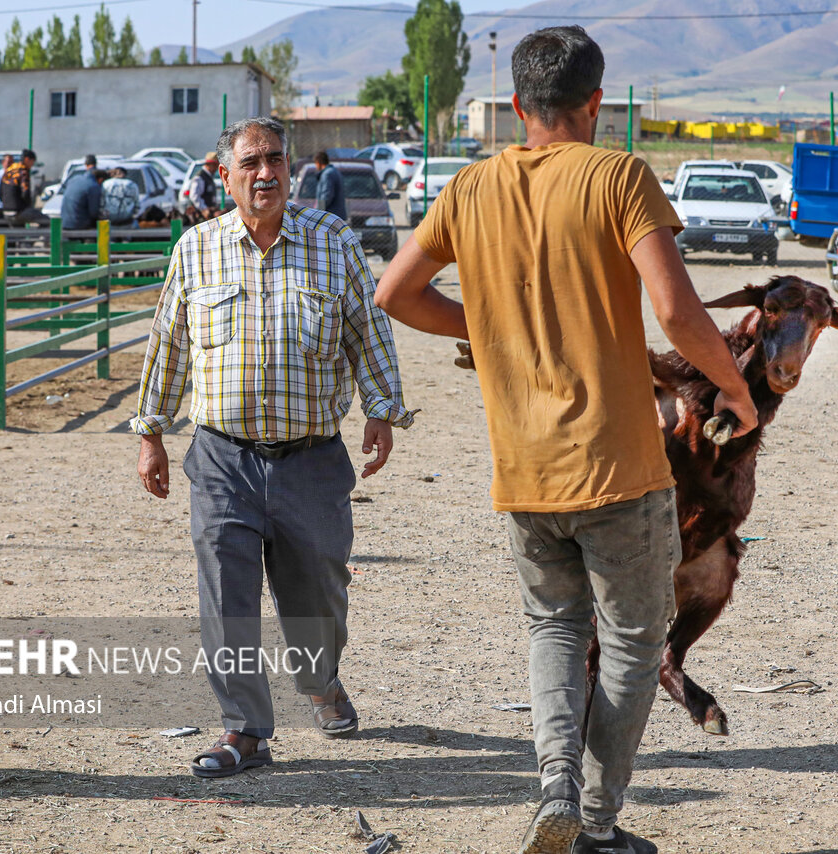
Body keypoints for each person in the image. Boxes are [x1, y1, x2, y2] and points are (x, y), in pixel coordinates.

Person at [374, 26, 757, 854]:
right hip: (620, 472)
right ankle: (596, 820)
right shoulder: (619, 176)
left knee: (552, 630)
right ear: (595, 105)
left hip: (523, 475)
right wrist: (733, 387)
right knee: (633, 641)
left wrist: (480, 322)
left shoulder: (471, 188)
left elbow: (395, 292)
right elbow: (679, 314)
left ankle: (553, 784)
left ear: (516, 106)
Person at [131, 116, 414, 779]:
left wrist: (382, 411)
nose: (267, 173)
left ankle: (320, 680)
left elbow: (366, 328)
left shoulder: (332, 241)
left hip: (312, 460)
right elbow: (168, 344)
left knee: (317, 594)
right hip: (221, 457)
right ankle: (245, 730)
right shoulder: (195, 249)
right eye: (251, 162)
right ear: (224, 175)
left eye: (276, 160)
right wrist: (150, 432)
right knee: (226, 597)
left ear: (291, 169)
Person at [1, 149, 47, 226]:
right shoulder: (23, 171)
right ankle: (43, 237)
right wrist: (27, 206)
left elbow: (0, 193)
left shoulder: (9, 170)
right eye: (32, 162)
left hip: (6, 211)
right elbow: (25, 192)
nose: (32, 165)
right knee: (47, 221)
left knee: (18, 234)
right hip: (18, 211)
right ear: (27, 159)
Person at [59, 163, 104, 230]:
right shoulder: (93, 186)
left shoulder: (74, 179)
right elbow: (94, 212)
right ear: (100, 180)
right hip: (79, 224)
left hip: (65, 222)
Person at [313, 151, 347, 221]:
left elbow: (326, 196)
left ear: (318, 163)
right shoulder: (335, 172)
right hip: (337, 215)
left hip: (330, 217)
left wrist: (318, 214)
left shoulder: (327, 175)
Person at [187, 151, 220, 220]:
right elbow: (194, 196)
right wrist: (204, 209)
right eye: (215, 165)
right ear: (209, 164)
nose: (216, 168)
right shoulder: (200, 177)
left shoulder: (209, 177)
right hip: (201, 216)